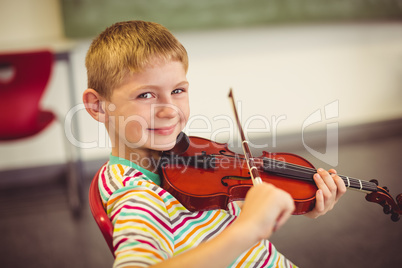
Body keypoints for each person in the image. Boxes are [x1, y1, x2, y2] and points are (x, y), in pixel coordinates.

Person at [83, 20, 346, 268]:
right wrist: (248, 228)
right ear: (98, 106)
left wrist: (297, 202)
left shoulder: (179, 158)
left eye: (178, 91)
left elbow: (212, 219)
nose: (170, 110)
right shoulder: (137, 195)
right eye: (146, 95)